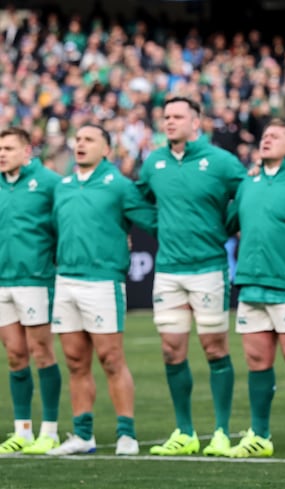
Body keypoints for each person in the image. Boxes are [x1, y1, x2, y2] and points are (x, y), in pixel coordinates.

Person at [137, 96, 245, 457]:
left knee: (214, 348)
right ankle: (184, 431)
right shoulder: (154, 161)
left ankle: (220, 431)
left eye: (177, 116)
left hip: (208, 267)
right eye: (165, 116)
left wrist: (225, 227)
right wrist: (161, 228)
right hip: (168, 270)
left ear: (195, 122)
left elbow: (247, 195)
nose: (169, 122)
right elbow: (140, 201)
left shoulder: (220, 161)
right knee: (171, 351)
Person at [46, 124, 157, 456]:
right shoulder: (63, 186)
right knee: (75, 360)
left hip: (103, 280)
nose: (80, 144)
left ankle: (127, 434)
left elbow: (152, 220)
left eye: (89, 140)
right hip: (65, 280)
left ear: (106, 149)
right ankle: (82, 435)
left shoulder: (119, 186)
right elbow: (54, 229)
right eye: (78, 139)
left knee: (111, 358)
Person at [225, 119, 285, 459]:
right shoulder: (248, 182)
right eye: (264, 136)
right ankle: (260, 434)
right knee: (256, 360)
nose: (266, 139)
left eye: (276, 136)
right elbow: (230, 221)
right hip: (251, 282)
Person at [0, 128, 63, 455]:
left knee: (42, 353)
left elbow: (65, 223)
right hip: (2, 283)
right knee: (14, 356)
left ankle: (49, 430)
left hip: (36, 280)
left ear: (27, 152)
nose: (1, 153)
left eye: (8, 148)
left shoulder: (49, 182)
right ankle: (22, 431)